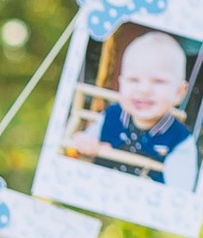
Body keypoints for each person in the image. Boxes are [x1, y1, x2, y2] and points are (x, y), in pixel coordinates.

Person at [83, 28, 198, 179]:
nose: (144, 90)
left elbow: (178, 192)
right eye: (133, 80)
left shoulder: (180, 141)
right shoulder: (111, 115)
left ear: (179, 92)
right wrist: (86, 143)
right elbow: (87, 139)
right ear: (121, 84)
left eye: (159, 81)